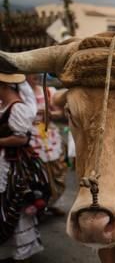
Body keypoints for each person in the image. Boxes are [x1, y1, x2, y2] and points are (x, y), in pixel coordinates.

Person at [0, 73, 47, 263]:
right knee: (5, 206)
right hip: (3, 163)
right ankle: (11, 254)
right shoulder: (4, 106)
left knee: (16, 206)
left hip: (13, 167)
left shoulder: (17, 108)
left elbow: (20, 138)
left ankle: (23, 261)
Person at [25, 74, 67, 216]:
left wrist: (50, 114)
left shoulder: (50, 91)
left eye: (37, 73)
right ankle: (38, 203)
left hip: (50, 136)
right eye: (32, 73)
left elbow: (61, 113)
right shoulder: (20, 94)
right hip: (31, 138)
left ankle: (53, 202)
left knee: (57, 169)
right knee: (37, 171)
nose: (35, 76)